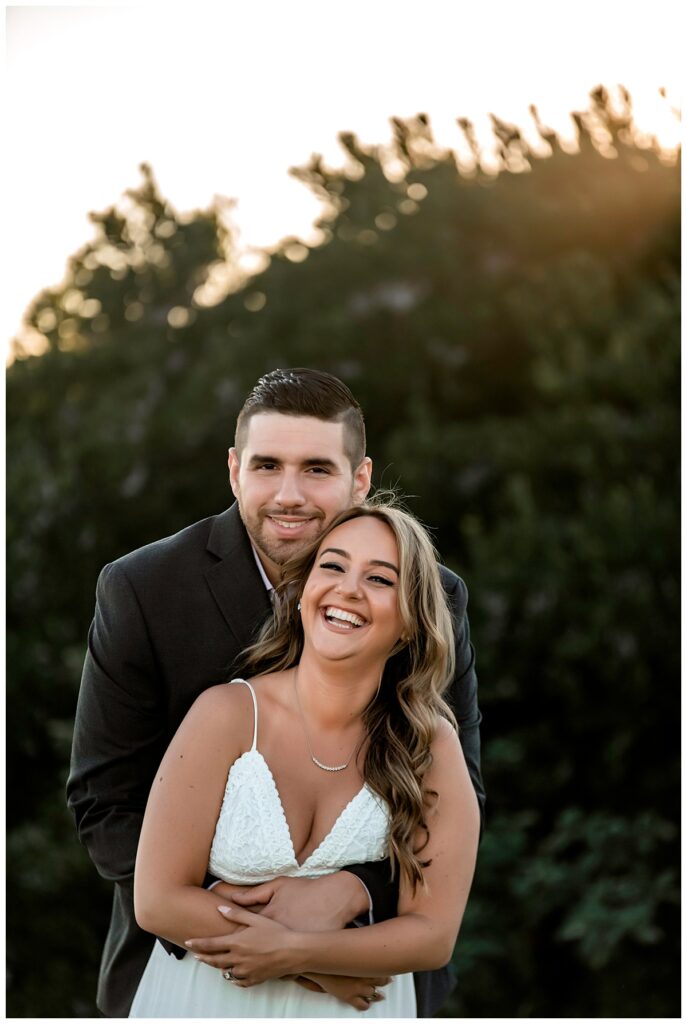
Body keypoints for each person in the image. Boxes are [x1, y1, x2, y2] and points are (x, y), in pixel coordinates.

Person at [67, 367, 485, 1017]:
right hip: (195, 967)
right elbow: (104, 804)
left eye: (316, 469)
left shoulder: (431, 594)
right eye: (267, 466)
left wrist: (356, 892)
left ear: (360, 479)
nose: (288, 495)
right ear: (234, 470)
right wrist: (281, 945)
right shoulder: (145, 591)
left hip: (370, 979)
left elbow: (457, 796)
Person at [129, 502, 480, 1016]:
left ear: (409, 622)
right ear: (301, 594)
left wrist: (295, 952)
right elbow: (157, 899)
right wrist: (315, 970)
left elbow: (433, 935)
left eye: (380, 579)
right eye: (332, 566)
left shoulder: (430, 744)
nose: (348, 589)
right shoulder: (226, 714)